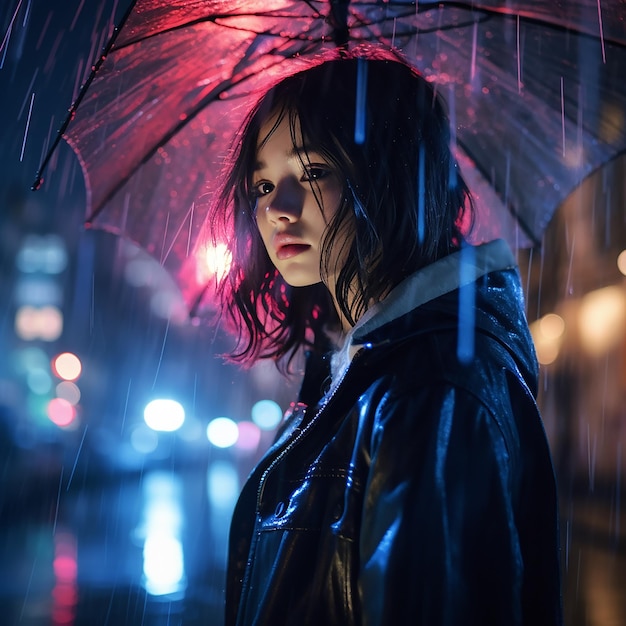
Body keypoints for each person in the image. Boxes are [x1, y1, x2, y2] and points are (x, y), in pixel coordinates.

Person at [210, 49, 563, 626]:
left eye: (314, 171)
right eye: (263, 184)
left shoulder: (429, 385)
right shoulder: (360, 367)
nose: (278, 208)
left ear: (388, 172)